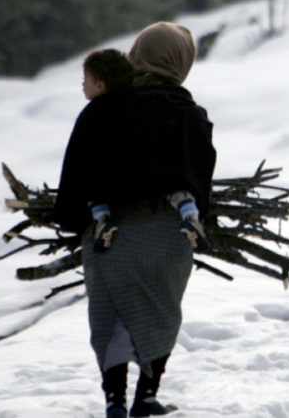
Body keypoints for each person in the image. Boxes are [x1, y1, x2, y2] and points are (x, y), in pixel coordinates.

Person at [55, 22, 217, 418]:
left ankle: (114, 402)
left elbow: (76, 176)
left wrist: (79, 220)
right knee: (159, 311)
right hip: (165, 236)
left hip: (109, 235)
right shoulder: (190, 115)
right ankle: (145, 397)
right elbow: (199, 181)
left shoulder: (101, 110)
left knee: (110, 316)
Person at [79, 49, 210, 255]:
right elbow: (201, 168)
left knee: (96, 192)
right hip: (170, 226)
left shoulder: (104, 109)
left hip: (116, 207)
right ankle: (190, 215)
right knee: (180, 191)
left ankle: (102, 219)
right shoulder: (190, 111)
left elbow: (80, 164)